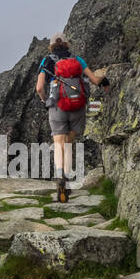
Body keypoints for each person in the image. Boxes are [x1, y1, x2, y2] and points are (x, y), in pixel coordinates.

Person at [35, 34, 109, 201]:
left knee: (58, 143)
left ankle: (60, 176)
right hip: (77, 105)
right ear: (67, 44)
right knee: (68, 144)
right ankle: (66, 182)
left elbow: (39, 87)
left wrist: (45, 100)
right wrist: (105, 80)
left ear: (51, 46)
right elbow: (95, 80)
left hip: (57, 105)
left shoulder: (47, 61)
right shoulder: (77, 60)